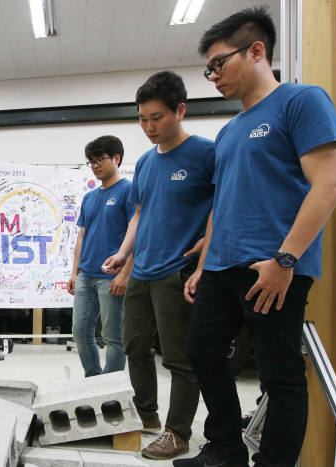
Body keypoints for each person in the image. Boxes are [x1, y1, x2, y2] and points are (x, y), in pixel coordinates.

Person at [175, 8, 336, 467]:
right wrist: (205, 262)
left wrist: (284, 261)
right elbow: (224, 201)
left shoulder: (302, 100)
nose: (212, 75)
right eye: (207, 68)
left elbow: (329, 184)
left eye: (218, 63)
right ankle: (226, 450)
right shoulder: (229, 131)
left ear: (256, 51)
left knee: (280, 375)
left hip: (273, 267)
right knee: (202, 353)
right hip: (222, 265)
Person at [101, 71, 215, 460]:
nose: (149, 127)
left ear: (180, 111)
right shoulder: (146, 163)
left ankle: (178, 432)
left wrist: (207, 245)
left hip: (176, 271)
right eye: (143, 119)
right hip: (142, 270)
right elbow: (140, 214)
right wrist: (123, 254)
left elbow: (223, 203)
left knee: (178, 357)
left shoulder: (204, 153)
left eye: (157, 118)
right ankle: (146, 414)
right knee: (134, 345)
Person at [67, 135, 134, 377]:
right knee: (80, 332)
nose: (95, 165)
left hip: (111, 277)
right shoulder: (90, 197)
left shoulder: (128, 191)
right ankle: (94, 380)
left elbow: (136, 234)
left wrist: (125, 274)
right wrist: (75, 273)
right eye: (91, 161)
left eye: (100, 160)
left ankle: (112, 387)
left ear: (117, 159)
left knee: (113, 336)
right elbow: (82, 237)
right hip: (86, 275)